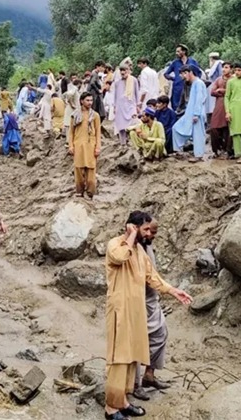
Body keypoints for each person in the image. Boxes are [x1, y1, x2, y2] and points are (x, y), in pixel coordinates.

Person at [104, 211, 192, 420]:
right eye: (144, 229)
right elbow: (119, 257)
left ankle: (122, 402)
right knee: (119, 358)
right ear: (132, 227)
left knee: (131, 357)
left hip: (136, 312)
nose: (148, 233)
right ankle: (110, 408)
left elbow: (152, 277)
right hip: (120, 311)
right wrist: (131, 236)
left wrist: (173, 291)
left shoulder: (140, 252)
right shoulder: (115, 244)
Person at [132, 218, 171, 400]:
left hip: (151, 300)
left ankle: (149, 375)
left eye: (153, 232)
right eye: (149, 231)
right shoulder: (129, 248)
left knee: (160, 334)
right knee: (136, 344)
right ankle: (134, 385)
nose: (151, 235)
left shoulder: (146, 246)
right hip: (136, 303)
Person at [171, 65, 208, 162]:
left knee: (198, 134)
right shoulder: (193, 84)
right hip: (189, 113)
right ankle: (178, 150)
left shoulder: (198, 83)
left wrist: (196, 114)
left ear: (190, 72)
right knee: (176, 128)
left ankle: (198, 156)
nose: (183, 76)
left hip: (197, 113)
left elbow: (199, 99)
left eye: (184, 73)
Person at [68, 93, 102, 198]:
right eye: (87, 100)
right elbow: (71, 132)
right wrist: (71, 146)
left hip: (91, 145)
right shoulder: (75, 115)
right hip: (78, 145)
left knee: (91, 170)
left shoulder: (95, 115)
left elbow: (98, 132)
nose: (90, 103)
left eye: (91, 100)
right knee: (78, 169)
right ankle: (80, 191)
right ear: (81, 101)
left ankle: (90, 193)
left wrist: (98, 147)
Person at [163, 45, 201, 111]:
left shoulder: (192, 62)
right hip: (178, 88)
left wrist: (194, 81)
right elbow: (166, 74)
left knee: (190, 105)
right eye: (176, 51)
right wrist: (174, 79)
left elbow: (199, 73)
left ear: (184, 51)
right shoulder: (175, 63)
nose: (176, 53)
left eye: (178, 51)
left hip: (190, 87)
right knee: (177, 107)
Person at [112, 65, 141, 145]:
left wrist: (138, 105)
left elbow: (137, 93)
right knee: (121, 125)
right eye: (121, 70)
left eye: (124, 70)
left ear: (128, 70)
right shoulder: (117, 82)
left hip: (131, 105)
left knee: (133, 123)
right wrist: (114, 106)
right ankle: (123, 142)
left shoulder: (134, 80)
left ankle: (134, 142)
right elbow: (115, 95)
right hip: (120, 106)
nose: (122, 72)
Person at [208, 65, 232, 158]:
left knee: (227, 129)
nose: (224, 69)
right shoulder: (218, 79)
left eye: (226, 67)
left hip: (230, 105)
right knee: (214, 128)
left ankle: (227, 150)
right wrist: (221, 92)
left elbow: (234, 92)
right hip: (219, 105)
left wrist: (222, 90)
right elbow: (212, 92)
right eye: (223, 67)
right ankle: (216, 150)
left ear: (231, 69)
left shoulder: (233, 80)